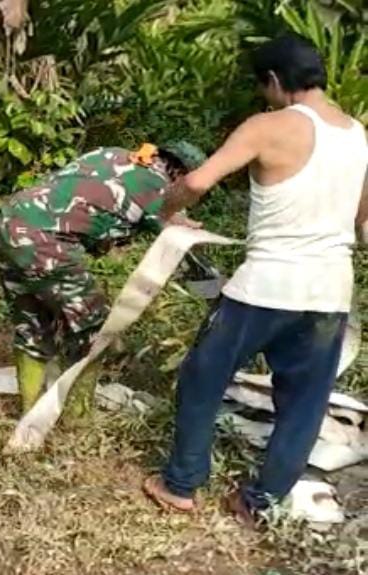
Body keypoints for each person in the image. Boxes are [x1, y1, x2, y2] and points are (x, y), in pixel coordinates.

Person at [143, 35, 368, 526]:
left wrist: (165, 212)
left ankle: (180, 484)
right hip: (330, 290)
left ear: (273, 80)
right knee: (304, 404)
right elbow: (363, 220)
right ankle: (259, 503)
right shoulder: (358, 135)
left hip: (266, 286)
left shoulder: (268, 126)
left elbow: (198, 182)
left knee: (204, 376)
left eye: (262, 86)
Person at [0, 141, 206, 418]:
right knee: (95, 328)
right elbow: (172, 227)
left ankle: (29, 414)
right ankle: (79, 417)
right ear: (183, 176)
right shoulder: (158, 188)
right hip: (41, 240)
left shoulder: (114, 154)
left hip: (3, 224)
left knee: (33, 323)